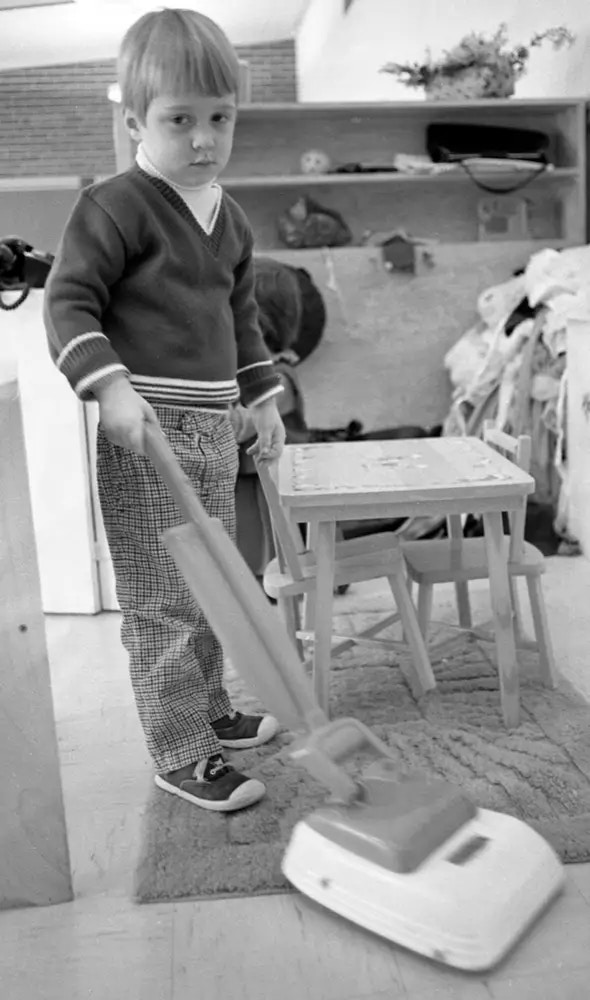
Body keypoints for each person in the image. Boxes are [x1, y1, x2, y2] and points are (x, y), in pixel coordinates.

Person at [43, 8, 286, 813]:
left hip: (215, 429)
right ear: (136, 120)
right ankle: (180, 749)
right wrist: (110, 386)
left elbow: (240, 318)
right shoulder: (116, 206)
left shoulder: (232, 217)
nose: (205, 139)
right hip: (147, 429)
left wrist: (264, 400)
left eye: (221, 118)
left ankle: (210, 710)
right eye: (181, 120)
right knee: (163, 598)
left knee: (214, 581)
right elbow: (69, 301)